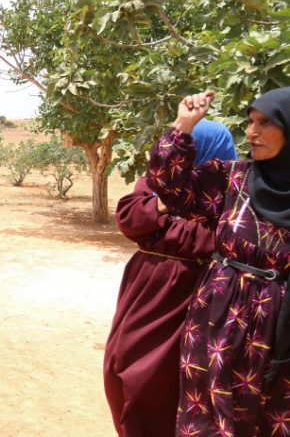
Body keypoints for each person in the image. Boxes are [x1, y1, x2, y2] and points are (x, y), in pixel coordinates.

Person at [145, 88, 290, 434]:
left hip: (281, 328)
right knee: (207, 419)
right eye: (250, 122)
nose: (252, 132)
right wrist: (183, 126)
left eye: (265, 123)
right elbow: (168, 187)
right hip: (218, 317)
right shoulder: (233, 178)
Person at [104, 120, 237, 437]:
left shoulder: (232, 194)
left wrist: (161, 225)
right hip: (148, 288)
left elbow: (219, 239)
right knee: (121, 369)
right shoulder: (158, 182)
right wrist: (168, 199)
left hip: (197, 292)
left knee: (168, 381)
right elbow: (130, 219)